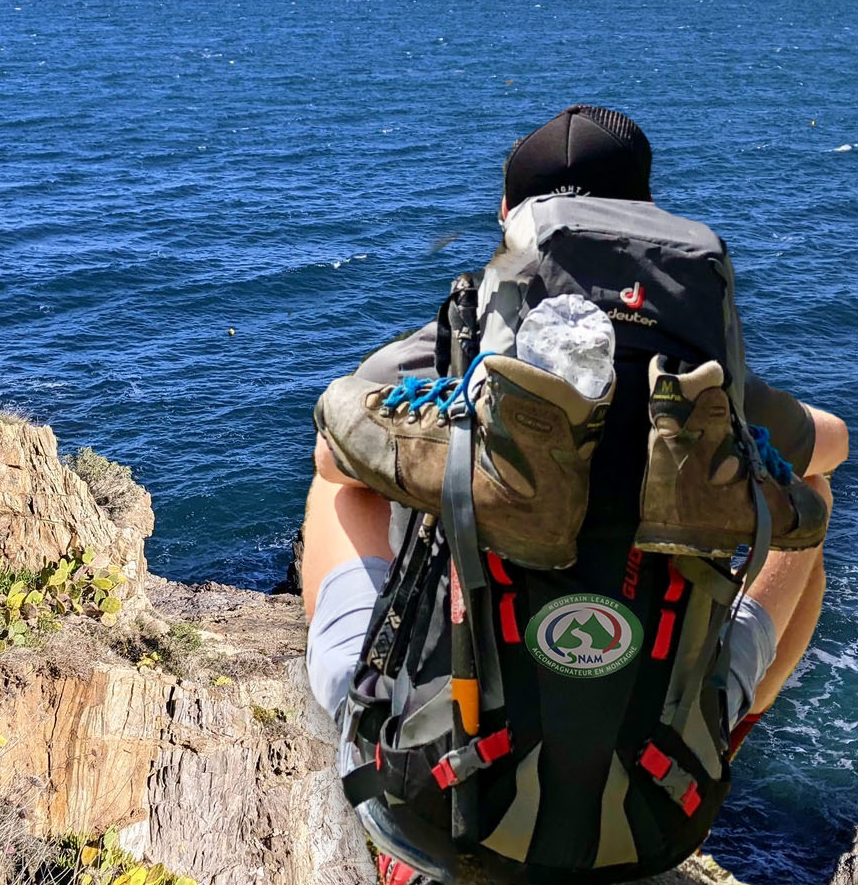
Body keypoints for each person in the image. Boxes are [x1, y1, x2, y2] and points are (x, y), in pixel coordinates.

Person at [302, 105, 848, 884]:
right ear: (644, 207)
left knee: (339, 479)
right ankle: (715, 732)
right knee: (809, 495)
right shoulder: (703, 374)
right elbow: (832, 440)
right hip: (655, 818)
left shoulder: (465, 339)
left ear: (509, 215)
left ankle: (380, 708)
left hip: (429, 805)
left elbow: (337, 438)